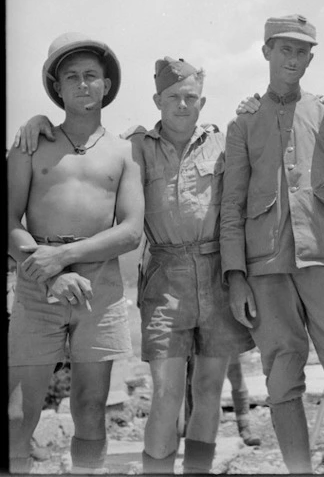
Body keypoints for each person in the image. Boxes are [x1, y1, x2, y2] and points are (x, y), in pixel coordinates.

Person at [14, 55, 256, 474]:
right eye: (173, 97)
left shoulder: (208, 145)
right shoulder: (132, 144)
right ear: (156, 100)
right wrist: (35, 120)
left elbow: (233, 205)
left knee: (202, 391)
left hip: (201, 274)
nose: (183, 105)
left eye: (192, 97)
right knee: (163, 393)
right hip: (149, 275)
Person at [220, 14, 324, 474]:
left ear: (311, 58)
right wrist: (236, 278)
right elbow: (232, 207)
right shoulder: (243, 123)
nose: (292, 58)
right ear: (266, 51)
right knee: (282, 380)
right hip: (265, 272)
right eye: (284, 49)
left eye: (302, 51)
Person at [8, 33, 145, 474]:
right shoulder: (31, 144)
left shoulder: (125, 152)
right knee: (18, 409)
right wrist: (48, 271)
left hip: (98, 287)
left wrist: (64, 260)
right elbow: (8, 221)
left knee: (90, 405)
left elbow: (130, 232)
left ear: (106, 85)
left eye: (91, 76)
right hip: (36, 280)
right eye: (72, 77)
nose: (83, 84)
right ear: (57, 87)